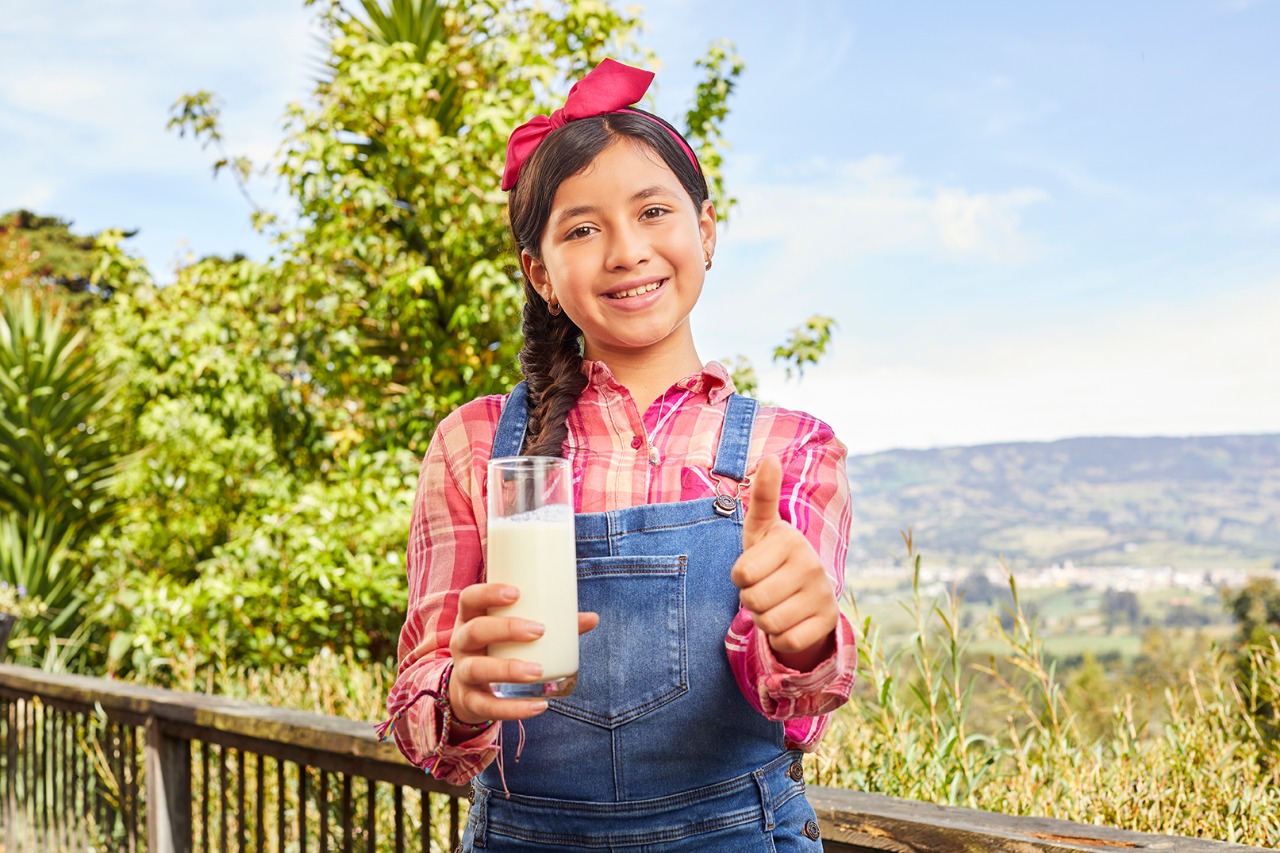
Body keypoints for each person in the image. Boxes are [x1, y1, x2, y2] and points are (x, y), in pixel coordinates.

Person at [380, 58, 857, 851]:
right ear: (540, 273)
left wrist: (804, 634)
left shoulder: (792, 447)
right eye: (582, 229)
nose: (627, 251)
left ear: (706, 231)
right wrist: (458, 694)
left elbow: (800, 703)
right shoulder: (473, 443)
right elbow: (420, 716)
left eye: (653, 211)